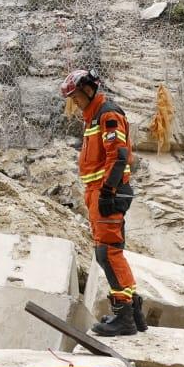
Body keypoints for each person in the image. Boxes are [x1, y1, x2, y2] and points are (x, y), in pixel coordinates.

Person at [61, 68, 146, 337]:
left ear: (89, 90)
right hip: (99, 191)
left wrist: (108, 191)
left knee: (107, 253)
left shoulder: (107, 114)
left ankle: (124, 316)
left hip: (107, 192)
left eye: (76, 96)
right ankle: (133, 310)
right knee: (110, 252)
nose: (74, 102)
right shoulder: (94, 117)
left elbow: (118, 156)